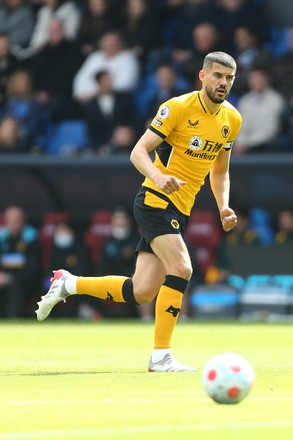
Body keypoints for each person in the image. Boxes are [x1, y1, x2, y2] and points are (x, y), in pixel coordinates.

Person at [36, 51, 242, 372]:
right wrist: (159, 176)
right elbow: (138, 151)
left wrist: (224, 206)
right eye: (217, 75)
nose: (223, 83)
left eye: (229, 78)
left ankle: (69, 283)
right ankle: (161, 356)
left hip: (180, 208)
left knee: (142, 291)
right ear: (202, 76)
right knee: (182, 268)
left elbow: (220, 171)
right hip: (155, 200)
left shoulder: (232, 119)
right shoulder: (176, 107)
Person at [0, 205, 41, 318]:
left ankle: (14, 323)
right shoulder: (2, 239)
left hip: (25, 282)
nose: (14, 221)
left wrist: (9, 278)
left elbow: (33, 270)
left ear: (24, 220)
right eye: (11, 218)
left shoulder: (31, 239)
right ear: (6, 220)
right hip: (3, 281)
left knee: (15, 288)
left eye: (17, 218)